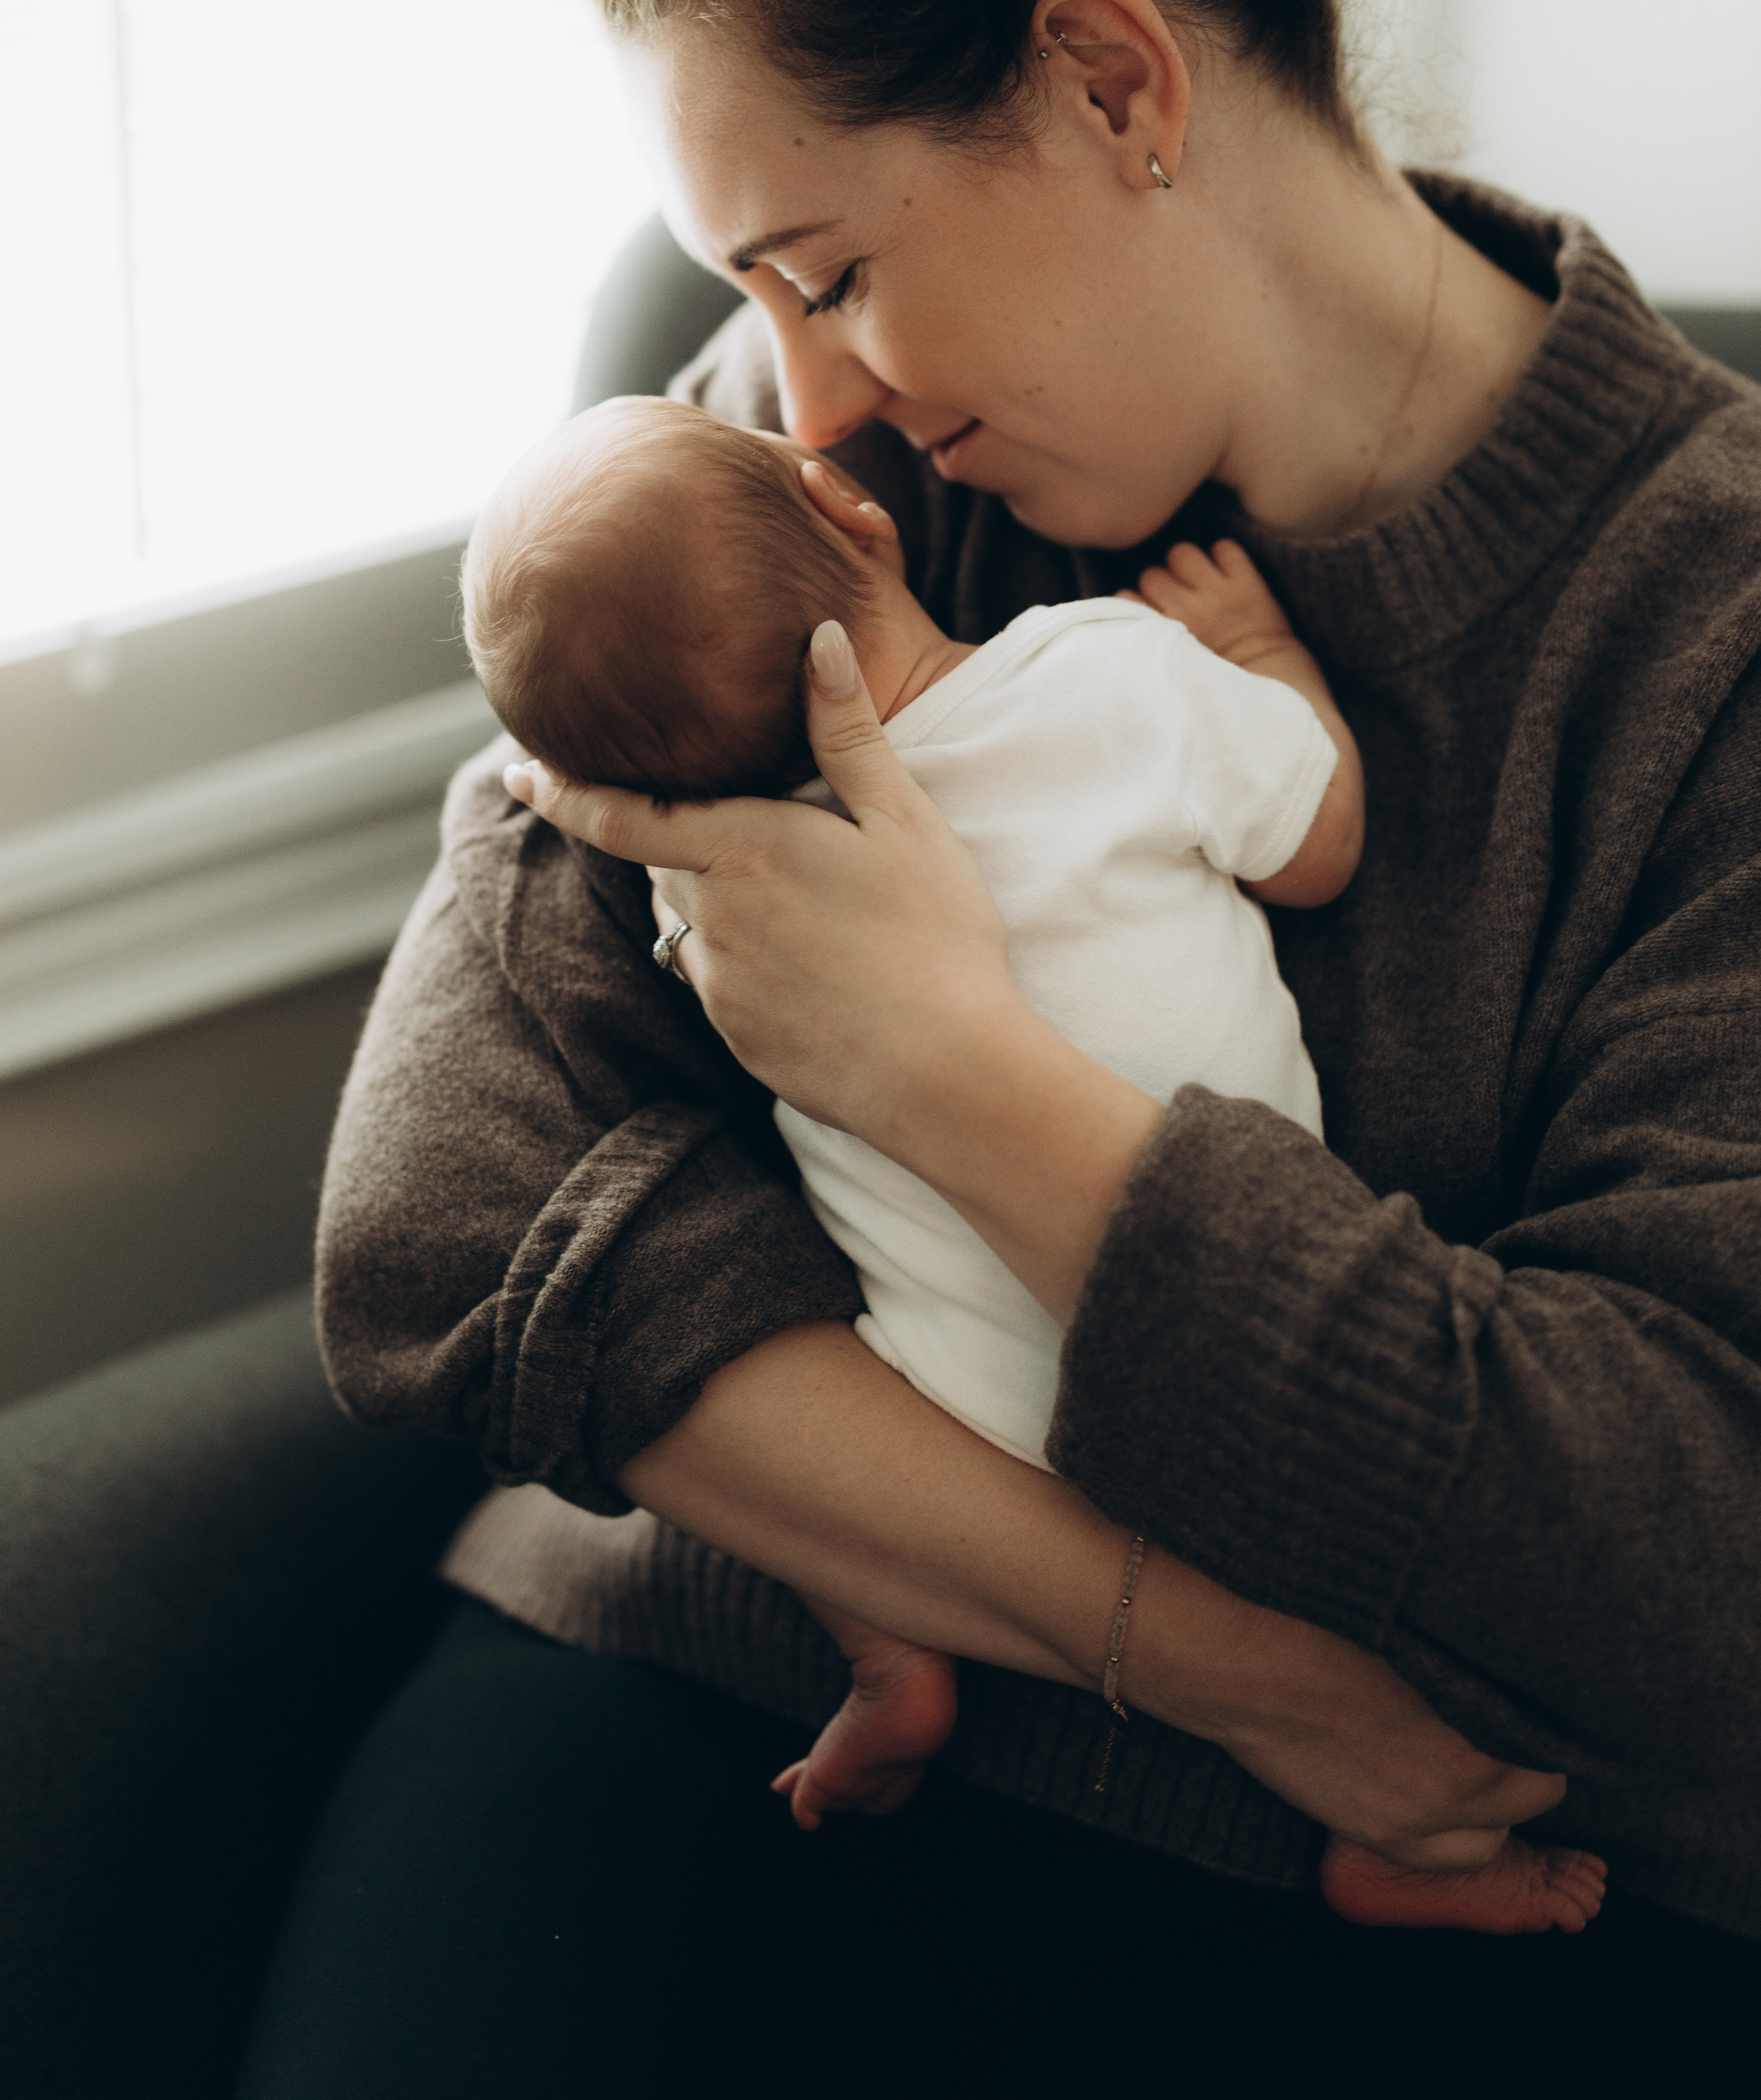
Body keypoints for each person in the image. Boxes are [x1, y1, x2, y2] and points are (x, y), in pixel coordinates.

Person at [243, 0, 1761, 2096]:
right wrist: (1199, 1647)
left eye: (825, 266)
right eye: (747, 301)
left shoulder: (1714, 631)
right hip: (732, 1691)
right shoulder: (845, 486)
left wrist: (967, 1091)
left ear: (1106, 80)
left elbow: (1679, 1550)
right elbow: (442, 1201)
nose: (788, 396)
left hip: (1436, 1891)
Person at [457, 390, 1608, 1937]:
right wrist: (1262, 660)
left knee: (826, 1442)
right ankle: (1408, 1852)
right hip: (1205, 1337)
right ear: (849, 511)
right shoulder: (1099, 680)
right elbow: (1316, 841)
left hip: (937, 1425)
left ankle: (890, 1654)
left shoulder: (720, 909)